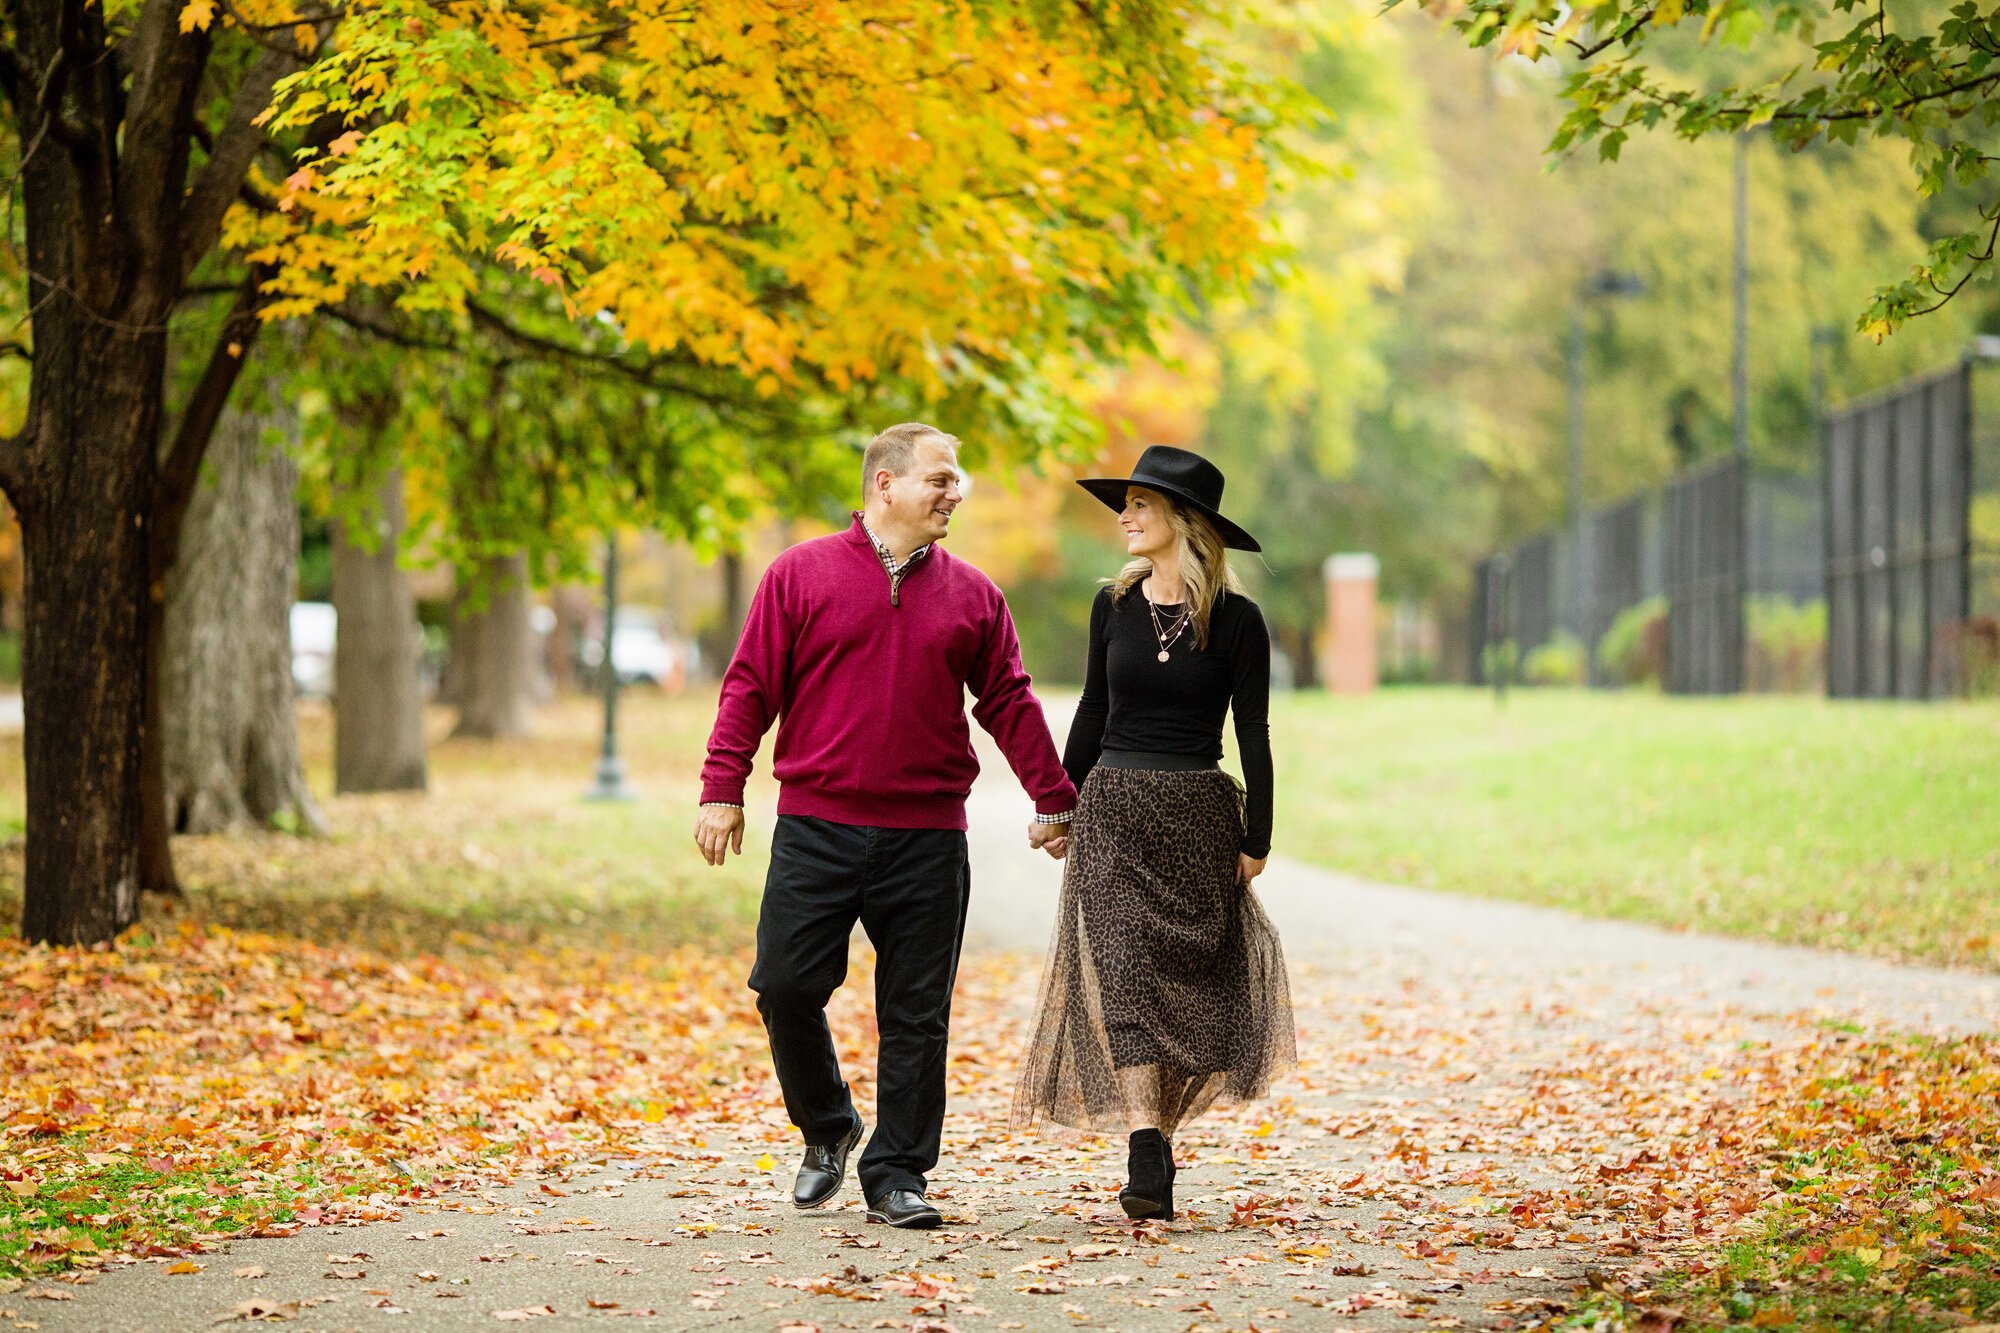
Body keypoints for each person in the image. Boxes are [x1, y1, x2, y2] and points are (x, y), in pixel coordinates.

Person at [695, 422, 1077, 1230]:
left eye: (958, 478)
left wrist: (1053, 794)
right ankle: (829, 1125)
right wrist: (722, 784)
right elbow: (749, 685)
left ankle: (898, 1172)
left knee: (915, 1012)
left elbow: (1007, 697)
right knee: (786, 986)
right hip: (816, 825)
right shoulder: (799, 575)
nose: (955, 491)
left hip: (927, 837)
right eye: (939, 477)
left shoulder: (975, 594)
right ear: (886, 485)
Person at [1012, 444, 1296, 1220]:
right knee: (1126, 978)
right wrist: (1058, 800)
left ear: (1183, 520)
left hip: (1198, 817)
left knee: (1191, 991)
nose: (1126, 517)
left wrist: (1257, 838)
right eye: (1126, 504)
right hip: (1112, 811)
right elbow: (1094, 712)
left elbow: (1255, 733)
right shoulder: (1113, 605)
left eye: (1141, 504)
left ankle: (1159, 1139)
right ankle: (1145, 1145)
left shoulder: (1238, 621)